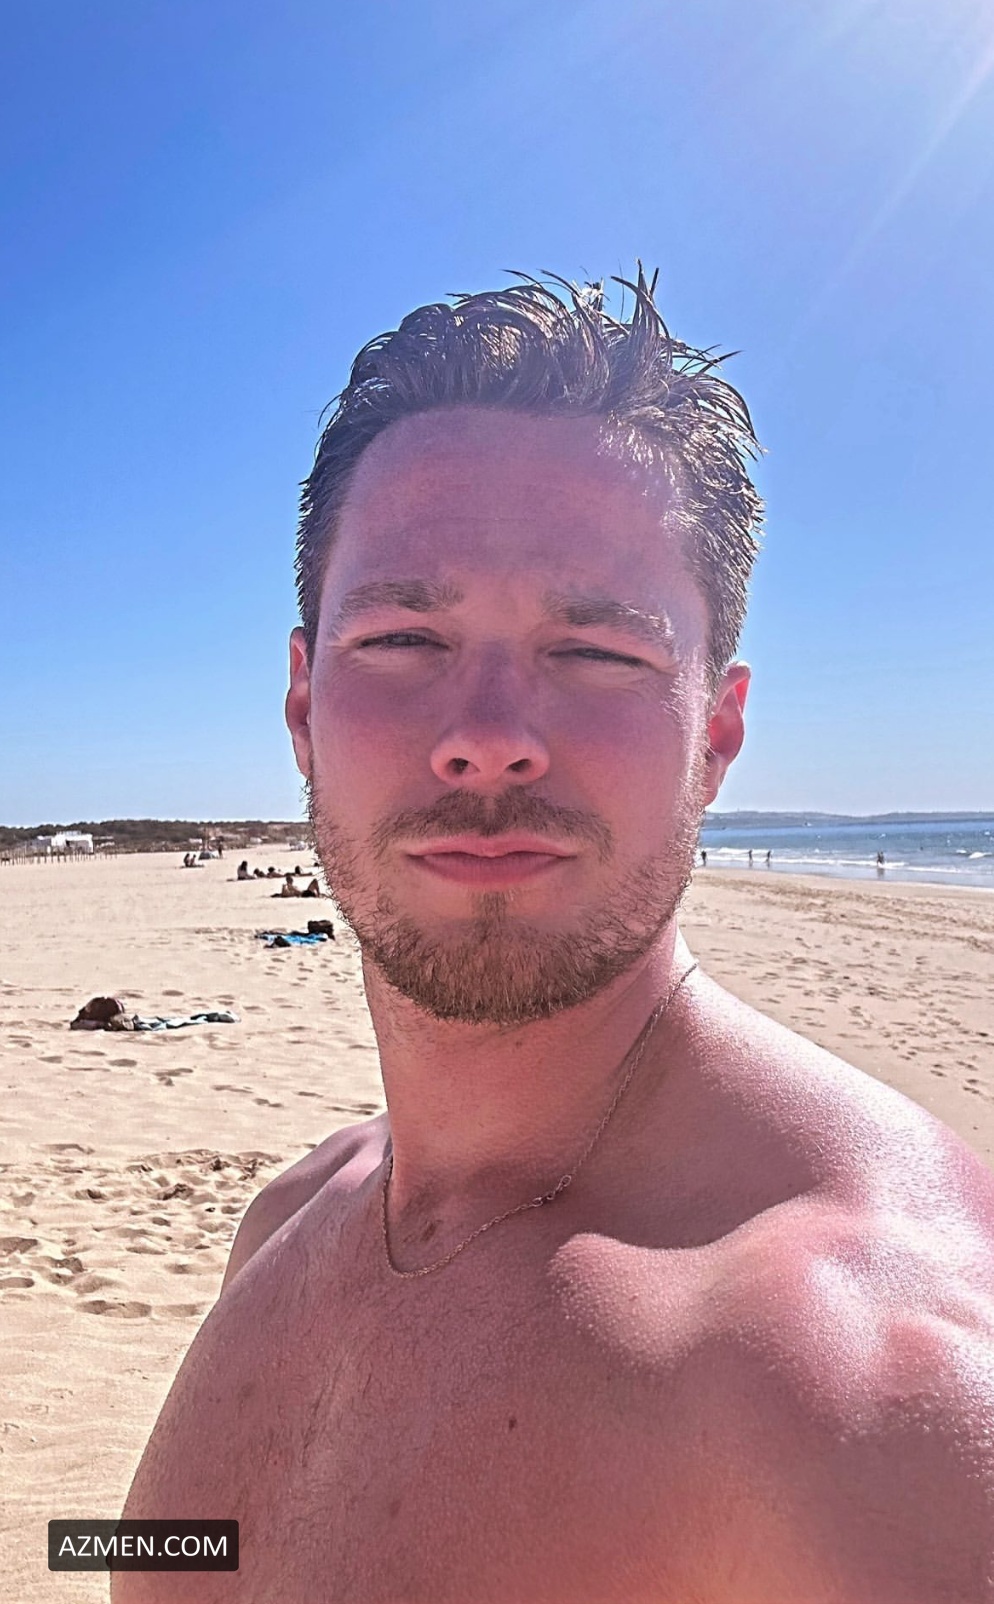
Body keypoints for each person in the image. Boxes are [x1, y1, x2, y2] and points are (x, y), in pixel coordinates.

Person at [117, 270, 994, 1603]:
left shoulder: (879, 1394)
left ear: (716, 734)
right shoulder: (291, 1220)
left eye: (595, 654)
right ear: (301, 707)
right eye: (402, 637)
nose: (486, 735)